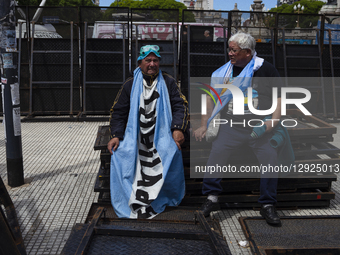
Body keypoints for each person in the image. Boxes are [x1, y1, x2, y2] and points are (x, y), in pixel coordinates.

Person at [193, 32, 287, 225]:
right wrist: (204, 125)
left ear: (247, 52)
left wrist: (272, 122)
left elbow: (280, 98)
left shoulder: (266, 69)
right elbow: (209, 100)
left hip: (259, 127)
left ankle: (268, 204)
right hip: (231, 126)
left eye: (234, 50)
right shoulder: (223, 73)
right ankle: (211, 198)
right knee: (217, 152)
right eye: (229, 49)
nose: (230, 53)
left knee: (270, 157)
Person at [108, 45, 189, 219]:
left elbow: (180, 105)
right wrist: (115, 135)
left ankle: (163, 195)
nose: (152, 64)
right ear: (140, 63)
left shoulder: (168, 81)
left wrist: (177, 129)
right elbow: (118, 111)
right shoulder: (130, 84)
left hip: (161, 134)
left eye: (155, 60)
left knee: (171, 151)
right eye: (148, 60)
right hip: (135, 136)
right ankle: (131, 197)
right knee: (122, 153)